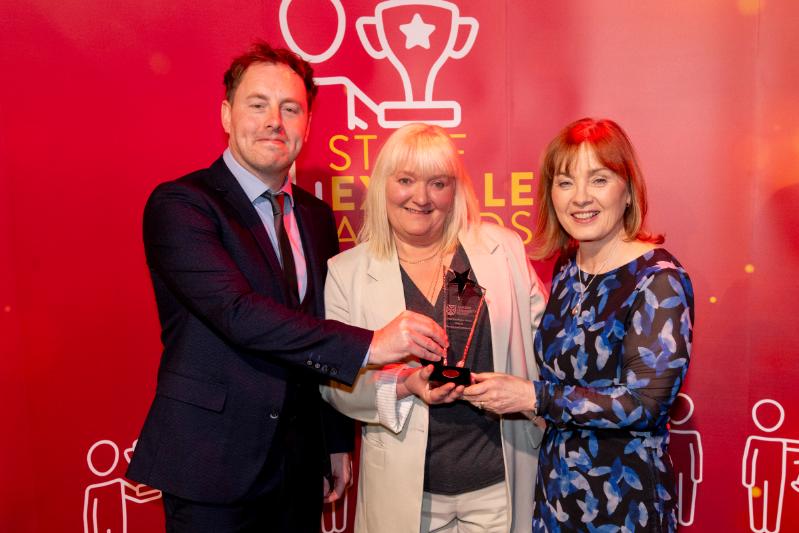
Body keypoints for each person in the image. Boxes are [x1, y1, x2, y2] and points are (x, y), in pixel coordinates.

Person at [126, 42, 447, 533]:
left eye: (291, 108)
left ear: (307, 125)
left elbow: (320, 324)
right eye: (258, 104)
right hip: (212, 463)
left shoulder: (316, 217)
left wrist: (335, 440)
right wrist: (373, 344)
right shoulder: (181, 205)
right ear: (227, 115)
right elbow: (236, 312)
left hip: (298, 466)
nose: (275, 120)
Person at [464, 118, 694, 531]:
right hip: (556, 494)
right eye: (565, 182)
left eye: (599, 179)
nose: (580, 198)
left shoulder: (659, 278)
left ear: (627, 190)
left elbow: (645, 404)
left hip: (624, 505)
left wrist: (535, 398)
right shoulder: (569, 267)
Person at [321, 123, 547, 532]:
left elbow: (548, 346)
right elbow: (334, 386)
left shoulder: (503, 250)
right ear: (383, 186)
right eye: (406, 180)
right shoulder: (346, 273)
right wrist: (406, 385)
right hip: (406, 494)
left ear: (455, 190)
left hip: (500, 486)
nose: (421, 198)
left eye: (437, 183)